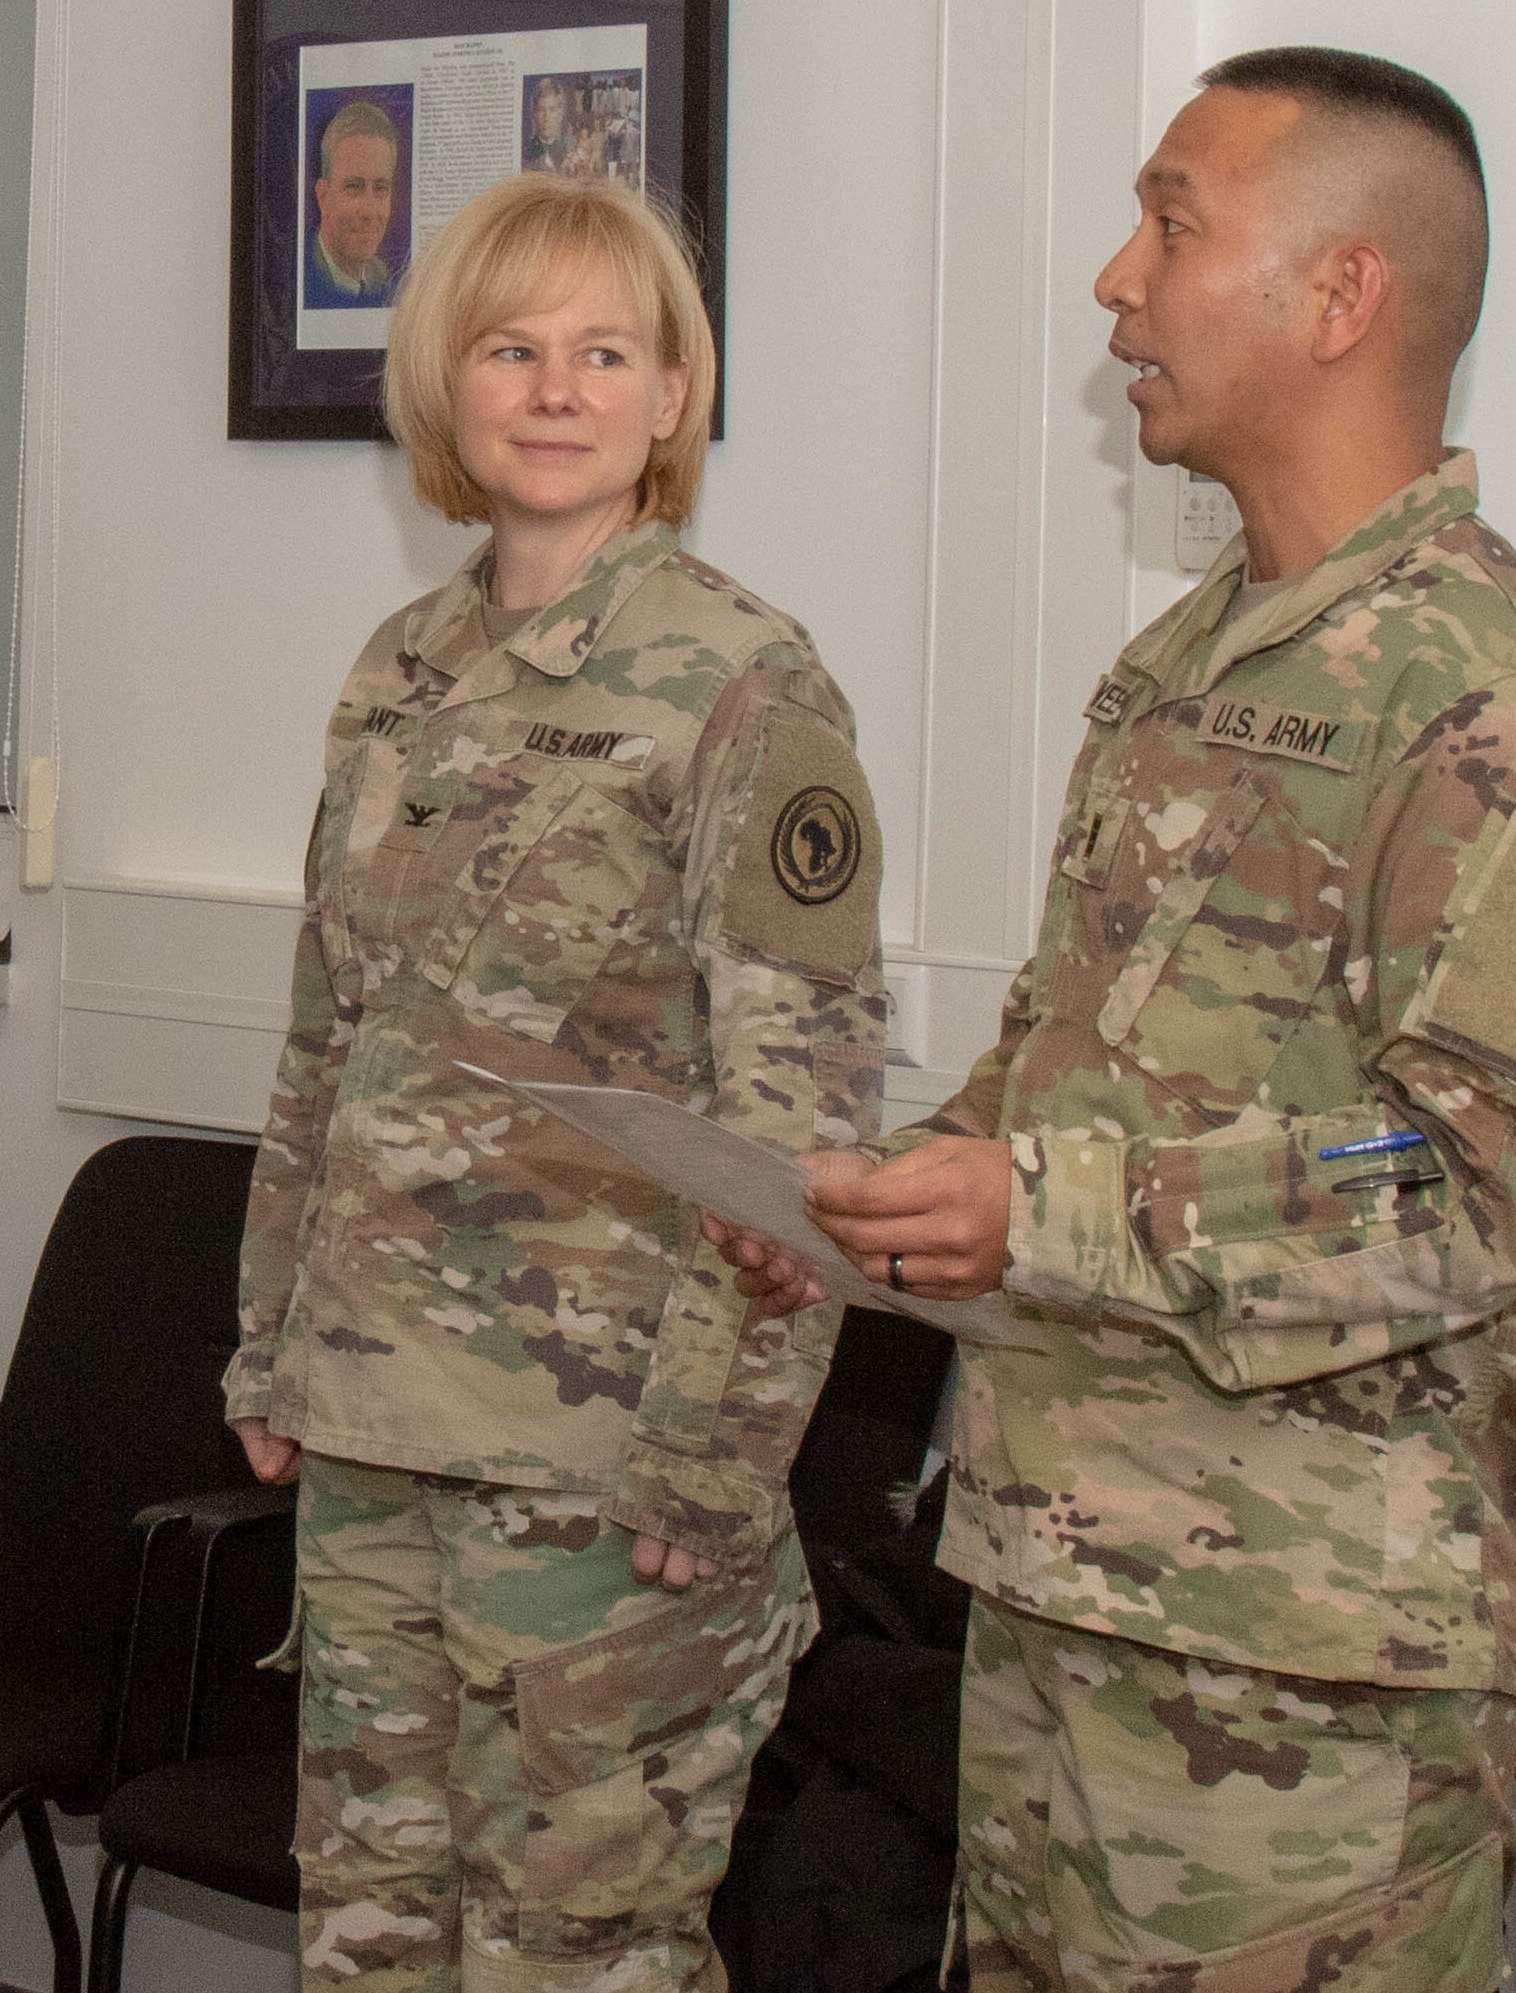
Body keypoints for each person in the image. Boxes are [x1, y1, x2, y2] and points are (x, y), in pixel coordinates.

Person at [714, 48, 1516, 1993]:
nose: (1113, 280)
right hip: (1050, 1609)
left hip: (1296, 1701)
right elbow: (1067, 1068)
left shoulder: (1513, 705)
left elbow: (1480, 1184)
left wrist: (1037, 1210)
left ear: (1341, 294)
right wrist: (882, 1195)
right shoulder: (1175, 669)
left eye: (1169, 223)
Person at [228, 170, 889, 1993]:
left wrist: (718, 1453)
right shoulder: (399, 668)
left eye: (605, 353)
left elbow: (799, 1120)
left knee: (572, 1958)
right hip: (371, 1421)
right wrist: (268, 1338)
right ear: (443, 383)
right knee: (366, 1938)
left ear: (671, 394)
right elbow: (327, 1035)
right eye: (510, 348)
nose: (553, 389)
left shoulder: (741, 683)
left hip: (600, 1467)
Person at [306, 99, 402, 306]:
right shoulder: (299, 275)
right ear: (323, 197)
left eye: (381, 188)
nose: (369, 211)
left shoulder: (381, 278)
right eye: (353, 187)